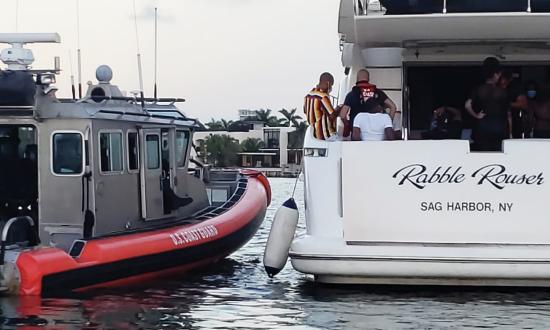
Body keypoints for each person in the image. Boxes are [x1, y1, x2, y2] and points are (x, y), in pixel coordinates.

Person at [465, 57, 511, 151]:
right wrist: (510, 133)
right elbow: (508, 113)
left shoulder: (478, 89)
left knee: (483, 154)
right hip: (499, 126)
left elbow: (467, 105)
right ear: (495, 74)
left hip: (483, 126)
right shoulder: (502, 91)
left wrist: (476, 115)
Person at [339, 69, 398, 138]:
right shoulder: (378, 92)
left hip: (357, 133)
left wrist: (347, 125)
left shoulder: (352, 94)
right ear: (368, 78)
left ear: (357, 78)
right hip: (378, 134)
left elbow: (342, 115)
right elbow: (393, 106)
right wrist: (388, 123)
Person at [304, 72, 340, 141]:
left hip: (314, 136)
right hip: (326, 136)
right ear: (328, 83)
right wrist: (339, 108)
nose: (331, 88)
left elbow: (306, 111)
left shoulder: (307, 96)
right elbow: (332, 115)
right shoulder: (323, 97)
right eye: (331, 85)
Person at [499, 69, 528, 138]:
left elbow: (523, 104)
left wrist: (506, 104)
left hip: (514, 124)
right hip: (496, 124)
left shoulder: (515, 87)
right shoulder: (493, 87)